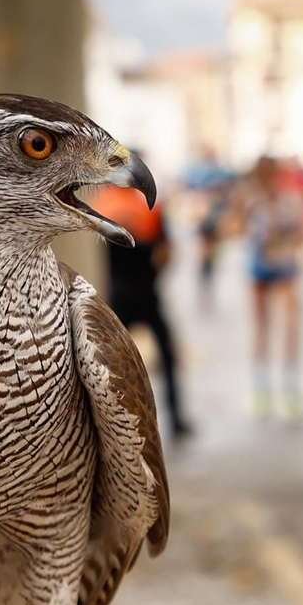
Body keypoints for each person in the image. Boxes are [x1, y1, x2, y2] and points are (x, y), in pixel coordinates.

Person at [91, 167, 194, 437]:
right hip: (148, 295)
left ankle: (109, 427)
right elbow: (167, 251)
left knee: (106, 366)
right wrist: (152, 274)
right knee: (168, 357)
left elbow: (97, 260)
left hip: (118, 299)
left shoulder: (103, 207)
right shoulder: (150, 210)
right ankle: (177, 421)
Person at [234, 154, 303, 421]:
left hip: (284, 265)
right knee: (262, 327)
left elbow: (301, 231)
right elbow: (238, 227)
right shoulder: (252, 199)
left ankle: (289, 387)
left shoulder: (287, 199)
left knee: (291, 325)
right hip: (260, 267)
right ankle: (261, 387)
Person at [185, 147, 233, 312]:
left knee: (207, 253)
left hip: (209, 218)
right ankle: (206, 277)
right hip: (207, 218)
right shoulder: (214, 173)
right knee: (207, 253)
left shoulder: (209, 172)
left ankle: (206, 277)